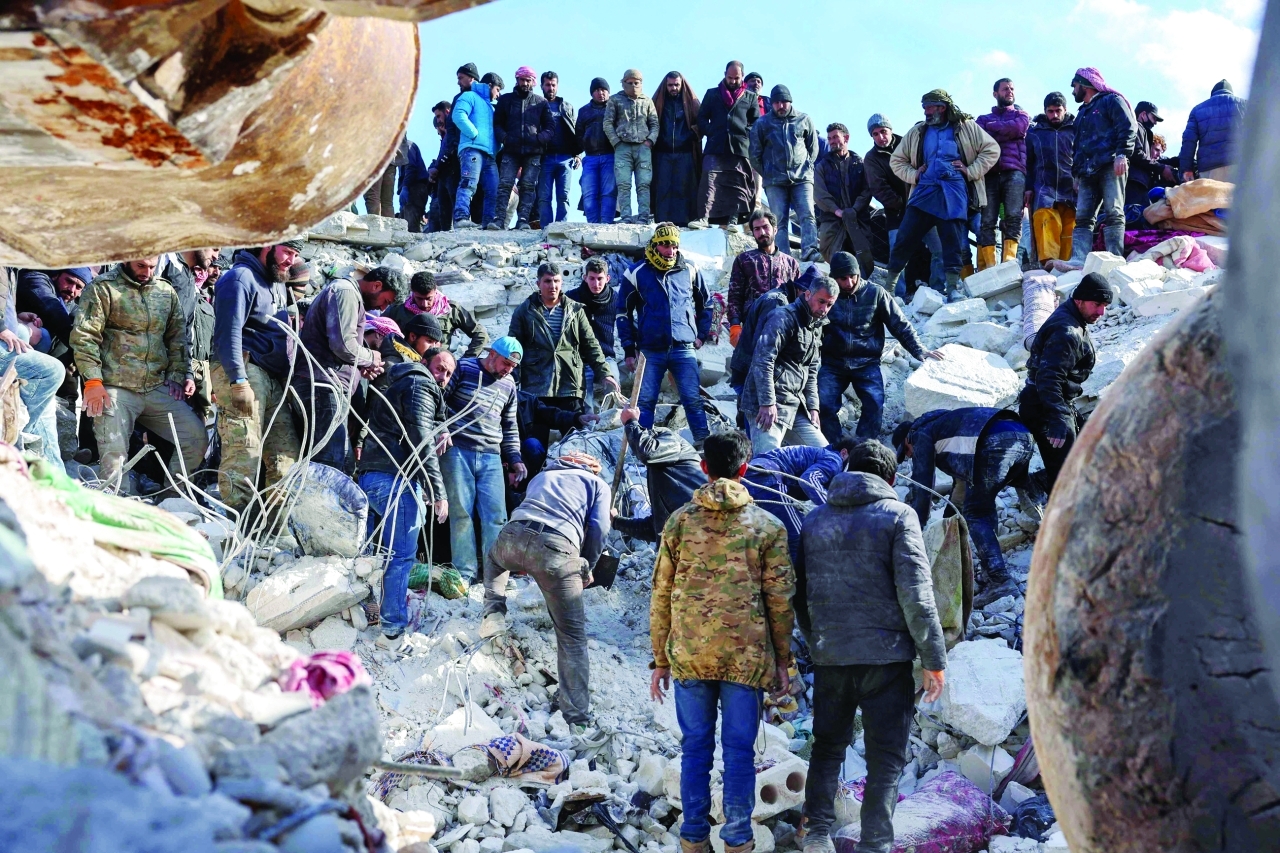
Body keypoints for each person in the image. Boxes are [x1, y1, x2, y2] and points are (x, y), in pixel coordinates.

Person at [649, 429, 794, 853]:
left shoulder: (679, 521)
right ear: (745, 469)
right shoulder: (768, 526)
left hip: (690, 655)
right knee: (739, 752)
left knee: (695, 747)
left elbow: (661, 594)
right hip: (745, 658)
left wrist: (660, 659)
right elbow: (780, 600)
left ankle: (692, 839)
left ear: (703, 467)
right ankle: (737, 840)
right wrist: (782, 660)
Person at [798, 440, 947, 853]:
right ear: (892, 479)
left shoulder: (814, 521)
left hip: (832, 658)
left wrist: (819, 642)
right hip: (887, 661)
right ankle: (875, 843)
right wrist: (934, 659)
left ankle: (816, 835)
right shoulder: (899, 516)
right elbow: (917, 594)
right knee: (886, 756)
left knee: (827, 747)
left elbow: (798, 594)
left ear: (847, 468)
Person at [481, 451, 610, 728]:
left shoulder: (542, 475)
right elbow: (599, 528)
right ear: (593, 470)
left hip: (511, 537)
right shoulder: (597, 485)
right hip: (557, 552)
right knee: (572, 637)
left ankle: (493, 613)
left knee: (493, 559)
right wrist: (587, 565)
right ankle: (577, 717)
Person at [71, 258, 207, 492]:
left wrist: (177, 374)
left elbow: (177, 338)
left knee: (196, 438)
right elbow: (85, 337)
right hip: (114, 385)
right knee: (114, 456)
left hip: (155, 387)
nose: (147, 272)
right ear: (127, 260)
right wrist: (92, 380)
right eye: (141, 266)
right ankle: (118, 507)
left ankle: (174, 497)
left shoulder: (165, 291)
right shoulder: (103, 288)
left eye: (152, 267)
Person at [358, 347, 456, 647]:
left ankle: (372, 610)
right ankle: (392, 629)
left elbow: (416, 433)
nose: (443, 377)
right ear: (425, 364)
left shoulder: (399, 383)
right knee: (400, 555)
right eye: (440, 368)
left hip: (375, 477)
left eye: (449, 373)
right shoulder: (420, 385)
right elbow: (421, 441)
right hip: (392, 479)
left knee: (380, 554)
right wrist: (438, 492)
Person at [893, 406, 1039, 608]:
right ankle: (991, 571)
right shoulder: (945, 425)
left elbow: (923, 486)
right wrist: (947, 526)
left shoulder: (920, 433)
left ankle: (1000, 580)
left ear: (907, 440)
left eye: (907, 453)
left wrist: (916, 528)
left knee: (976, 514)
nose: (910, 456)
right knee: (983, 505)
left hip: (993, 443)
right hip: (1022, 436)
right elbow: (959, 491)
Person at [211, 243, 302, 513]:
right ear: (268, 245)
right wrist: (238, 380)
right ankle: (236, 525)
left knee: (285, 454)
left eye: (295, 254)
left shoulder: (276, 283)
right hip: (244, 369)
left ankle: (275, 527)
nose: (291, 260)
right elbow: (228, 333)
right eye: (287, 251)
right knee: (244, 450)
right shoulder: (240, 279)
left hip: (272, 377)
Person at [888, 90, 1000, 301]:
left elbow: (991, 149)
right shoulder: (918, 132)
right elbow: (896, 160)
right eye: (924, 108)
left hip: (954, 191)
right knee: (905, 236)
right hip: (925, 189)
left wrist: (971, 170)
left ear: (942, 107)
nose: (925, 112)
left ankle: (952, 289)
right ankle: (889, 288)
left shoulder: (965, 127)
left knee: (953, 241)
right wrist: (913, 175)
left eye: (929, 107)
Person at [817, 253, 939, 443]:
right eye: (843, 278)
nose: (849, 282)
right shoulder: (828, 294)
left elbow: (899, 324)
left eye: (853, 276)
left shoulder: (876, 293)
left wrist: (919, 350)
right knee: (823, 403)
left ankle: (862, 446)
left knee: (874, 403)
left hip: (866, 362)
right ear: (834, 278)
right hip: (833, 362)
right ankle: (834, 447)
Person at [294, 267, 404, 472]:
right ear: (377, 286)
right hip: (323, 386)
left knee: (342, 463)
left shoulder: (351, 296)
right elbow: (343, 345)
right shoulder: (346, 292)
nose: (381, 308)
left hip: (327, 386)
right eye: (386, 301)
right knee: (329, 464)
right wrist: (371, 357)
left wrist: (360, 366)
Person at [616, 224, 713, 442]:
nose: (670, 251)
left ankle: (704, 446)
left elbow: (706, 303)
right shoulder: (636, 272)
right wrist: (629, 349)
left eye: (674, 245)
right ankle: (642, 448)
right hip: (650, 350)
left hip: (683, 348)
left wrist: (701, 335)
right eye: (665, 245)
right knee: (645, 401)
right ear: (655, 245)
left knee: (692, 399)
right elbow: (623, 312)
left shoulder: (690, 269)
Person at [441, 337, 527, 582]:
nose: (507, 369)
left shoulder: (509, 385)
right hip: (458, 450)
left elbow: (510, 425)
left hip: (491, 455)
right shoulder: (465, 368)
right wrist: (442, 430)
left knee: (496, 515)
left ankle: (496, 574)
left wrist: (515, 458)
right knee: (461, 513)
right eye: (505, 363)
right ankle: (465, 573)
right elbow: (440, 402)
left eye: (512, 366)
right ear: (492, 354)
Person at [508, 261, 618, 446]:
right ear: (538, 284)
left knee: (576, 443)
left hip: (570, 385)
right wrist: (512, 376)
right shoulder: (525, 311)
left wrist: (604, 373)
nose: (553, 286)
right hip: (536, 387)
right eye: (548, 281)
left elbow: (591, 345)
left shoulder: (575, 310)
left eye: (557, 281)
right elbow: (514, 347)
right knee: (535, 444)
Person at [1018, 273, 1108, 491]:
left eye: (1105, 306)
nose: (1101, 312)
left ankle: (1037, 484)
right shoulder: (1067, 332)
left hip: (1052, 402)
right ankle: (1052, 509)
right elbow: (1048, 380)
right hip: (1045, 407)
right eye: (1097, 304)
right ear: (1080, 300)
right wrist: (1057, 419)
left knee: (1084, 452)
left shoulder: (1072, 316)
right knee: (1066, 474)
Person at [741, 276, 838, 454]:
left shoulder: (817, 326)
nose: (824, 309)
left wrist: (813, 407)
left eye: (829, 305)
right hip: (768, 404)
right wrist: (767, 402)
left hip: (795, 405)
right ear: (808, 294)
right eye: (821, 302)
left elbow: (811, 370)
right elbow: (762, 360)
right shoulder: (783, 317)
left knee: (827, 456)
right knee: (767, 464)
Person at [1066, 67, 1136, 265]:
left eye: (1075, 86)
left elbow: (1128, 128)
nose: (1073, 91)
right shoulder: (1082, 114)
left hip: (1110, 164)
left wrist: (1122, 154)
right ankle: (1079, 260)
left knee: (1114, 213)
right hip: (1086, 172)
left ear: (1085, 84)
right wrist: (1076, 175)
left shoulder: (1112, 101)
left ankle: (1114, 259)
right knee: (1083, 218)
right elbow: (1077, 146)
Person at [743, 438, 851, 566]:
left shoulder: (822, 454)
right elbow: (809, 480)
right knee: (800, 536)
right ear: (844, 453)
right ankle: (798, 582)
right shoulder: (834, 460)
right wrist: (834, 510)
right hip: (766, 477)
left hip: (757, 473)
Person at [0, 268, 65, 468]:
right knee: (52, 371)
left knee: (46, 402)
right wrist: (2, 328)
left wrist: (17, 319)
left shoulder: (10, 267)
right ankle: (22, 440)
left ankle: (55, 474)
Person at [866, 115, 938, 294]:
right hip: (897, 214)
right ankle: (898, 297)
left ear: (890, 129)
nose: (881, 137)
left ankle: (939, 288)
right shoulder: (871, 159)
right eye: (875, 134)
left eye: (883, 131)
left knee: (940, 249)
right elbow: (878, 189)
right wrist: (901, 204)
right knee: (897, 256)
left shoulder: (908, 143)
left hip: (924, 208)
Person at [611, 404, 704, 542]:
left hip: (701, 534)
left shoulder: (671, 440)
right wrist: (616, 521)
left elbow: (648, 452)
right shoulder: (660, 473)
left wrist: (631, 423)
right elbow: (655, 529)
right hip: (686, 547)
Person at [749, 85, 820, 261]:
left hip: (802, 178)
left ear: (790, 101)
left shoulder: (804, 119)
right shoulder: (762, 123)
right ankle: (784, 256)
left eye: (784, 102)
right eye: (777, 103)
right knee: (778, 220)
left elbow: (813, 148)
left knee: (808, 214)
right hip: (775, 181)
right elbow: (754, 154)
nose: (781, 106)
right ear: (772, 104)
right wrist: (768, 173)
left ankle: (810, 250)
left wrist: (806, 167)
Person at [727, 264, 819, 397]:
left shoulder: (788, 302)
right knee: (755, 414)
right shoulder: (777, 303)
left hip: (757, 374)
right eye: (812, 298)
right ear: (802, 290)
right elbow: (762, 350)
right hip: (750, 374)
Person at [694, 61, 760, 229]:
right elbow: (701, 118)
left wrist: (745, 133)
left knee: (737, 183)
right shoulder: (712, 94)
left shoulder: (750, 97)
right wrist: (711, 131)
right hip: (715, 145)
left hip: (739, 147)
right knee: (709, 180)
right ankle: (703, 218)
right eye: (729, 77)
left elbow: (755, 122)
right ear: (725, 74)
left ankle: (733, 219)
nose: (732, 81)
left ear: (742, 77)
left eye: (736, 78)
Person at [974, 78, 1030, 270]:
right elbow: (978, 137)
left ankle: (1008, 263)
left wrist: (993, 128)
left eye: (1012, 88)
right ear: (995, 93)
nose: (1010, 91)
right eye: (1005, 89)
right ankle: (990, 267)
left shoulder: (1022, 115)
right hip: (989, 173)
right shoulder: (981, 120)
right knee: (987, 220)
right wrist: (1007, 131)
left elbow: (1019, 128)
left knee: (1013, 217)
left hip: (1014, 172)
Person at [726, 209, 800, 343]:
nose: (762, 233)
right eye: (757, 229)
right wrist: (735, 324)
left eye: (765, 227)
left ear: (775, 229)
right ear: (753, 233)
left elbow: (799, 298)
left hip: (784, 327)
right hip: (752, 327)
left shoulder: (791, 263)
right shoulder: (744, 260)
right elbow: (734, 296)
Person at [1024, 93, 1077, 268]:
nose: (1054, 115)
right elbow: (1028, 163)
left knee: (1070, 228)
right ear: (1045, 111)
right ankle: (1048, 267)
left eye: (1058, 111)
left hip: (1071, 188)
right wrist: (1028, 187)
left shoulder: (1076, 129)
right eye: (1050, 111)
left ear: (1065, 109)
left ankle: (1067, 268)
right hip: (1044, 189)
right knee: (1046, 223)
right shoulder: (1034, 132)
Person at [382, 270, 488, 357]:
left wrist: (468, 359)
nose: (424, 304)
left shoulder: (450, 309)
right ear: (412, 291)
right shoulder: (398, 309)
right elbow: (377, 329)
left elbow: (480, 334)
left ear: (435, 290)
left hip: (438, 367)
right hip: (404, 362)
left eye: (429, 298)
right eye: (419, 298)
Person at [814, 122, 874, 274]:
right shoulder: (822, 166)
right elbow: (820, 194)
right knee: (836, 261)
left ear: (846, 138)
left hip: (857, 220)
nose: (832, 141)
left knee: (861, 261)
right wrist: (836, 211)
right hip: (832, 221)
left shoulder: (860, 164)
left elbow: (867, 190)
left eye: (835, 137)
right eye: (830, 138)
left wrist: (854, 209)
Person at [493, 66, 546, 230]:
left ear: (533, 82)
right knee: (505, 185)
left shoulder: (540, 102)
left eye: (528, 80)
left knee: (529, 186)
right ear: (517, 80)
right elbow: (497, 124)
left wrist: (539, 139)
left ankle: (523, 221)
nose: (525, 83)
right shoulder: (506, 100)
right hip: (511, 151)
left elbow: (550, 127)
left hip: (533, 152)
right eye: (522, 80)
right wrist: (505, 138)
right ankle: (498, 220)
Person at [604, 69, 659, 224]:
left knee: (643, 184)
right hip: (623, 148)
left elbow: (654, 123)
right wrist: (616, 142)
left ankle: (643, 217)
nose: (634, 85)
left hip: (643, 148)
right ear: (624, 83)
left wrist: (650, 141)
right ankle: (626, 217)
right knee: (623, 184)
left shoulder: (647, 101)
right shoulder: (615, 100)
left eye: (637, 82)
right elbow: (607, 123)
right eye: (630, 83)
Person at [652, 71, 703, 226]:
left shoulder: (692, 102)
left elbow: (702, 122)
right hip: (662, 153)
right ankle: (661, 222)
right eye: (670, 85)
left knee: (684, 188)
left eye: (676, 85)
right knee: (662, 188)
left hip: (685, 152)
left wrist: (691, 135)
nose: (673, 88)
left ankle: (684, 223)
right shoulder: (657, 102)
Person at [566, 257, 618, 401]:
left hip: (606, 355)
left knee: (614, 389)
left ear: (607, 278)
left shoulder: (615, 298)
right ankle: (587, 423)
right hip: (581, 359)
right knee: (583, 400)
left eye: (600, 279)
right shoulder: (571, 298)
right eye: (592, 278)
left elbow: (627, 324)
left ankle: (612, 422)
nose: (596, 283)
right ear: (585, 278)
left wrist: (632, 350)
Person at [452, 74, 499, 230]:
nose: (498, 94)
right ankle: (460, 218)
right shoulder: (469, 96)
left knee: (494, 188)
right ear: (490, 86)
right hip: (471, 149)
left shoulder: (492, 107)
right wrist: (474, 134)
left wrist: (499, 147)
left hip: (489, 154)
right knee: (468, 184)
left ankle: (489, 223)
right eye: (497, 89)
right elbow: (458, 115)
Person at [1179, 80, 1246, 183]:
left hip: (1209, 169)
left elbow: (1188, 141)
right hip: (1239, 165)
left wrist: (1186, 169)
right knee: (1241, 199)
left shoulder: (1197, 110)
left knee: (1211, 199)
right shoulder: (1245, 105)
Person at [536, 71, 579, 227]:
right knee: (544, 197)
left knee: (564, 196)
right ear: (542, 86)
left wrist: (578, 154)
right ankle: (546, 228)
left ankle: (561, 228)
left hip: (565, 157)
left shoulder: (567, 107)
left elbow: (576, 131)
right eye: (547, 85)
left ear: (557, 86)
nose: (551, 88)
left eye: (553, 85)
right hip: (544, 158)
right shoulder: (535, 105)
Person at [577, 78, 617, 224]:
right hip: (591, 158)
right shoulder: (583, 111)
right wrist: (584, 145)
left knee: (609, 192)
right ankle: (593, 225)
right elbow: (579, 134)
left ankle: (606, 225)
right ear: (592, 93)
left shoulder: (615, 108)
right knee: (589, 193)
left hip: (610, 156)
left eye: (604, 90)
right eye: (597, 90)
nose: (601, 93)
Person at [1126, 101, 1175, 217]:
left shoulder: (1143, 131)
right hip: (1134, 182)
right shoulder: (1136, 127)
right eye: (1154, 118)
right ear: (1143, 114)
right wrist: (1161, 168)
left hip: (1140, 182)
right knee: (1133, 218)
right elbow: (1136, 153)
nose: (1155, 123)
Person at [364, 133, 405, 217]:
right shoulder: (397, 119)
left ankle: (375, 227)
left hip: (374, 156)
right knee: (387, 201)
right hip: (392, 157)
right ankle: (388, 229)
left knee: (373, 195)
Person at [399, 136, 431, 233]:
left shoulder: (407, 146)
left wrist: (405, 187)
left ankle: (415, 246)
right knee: (405, 223)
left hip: (415, 188)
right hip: (412, 187)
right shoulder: (402, 148)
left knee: (411, 226)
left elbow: (411, 167)